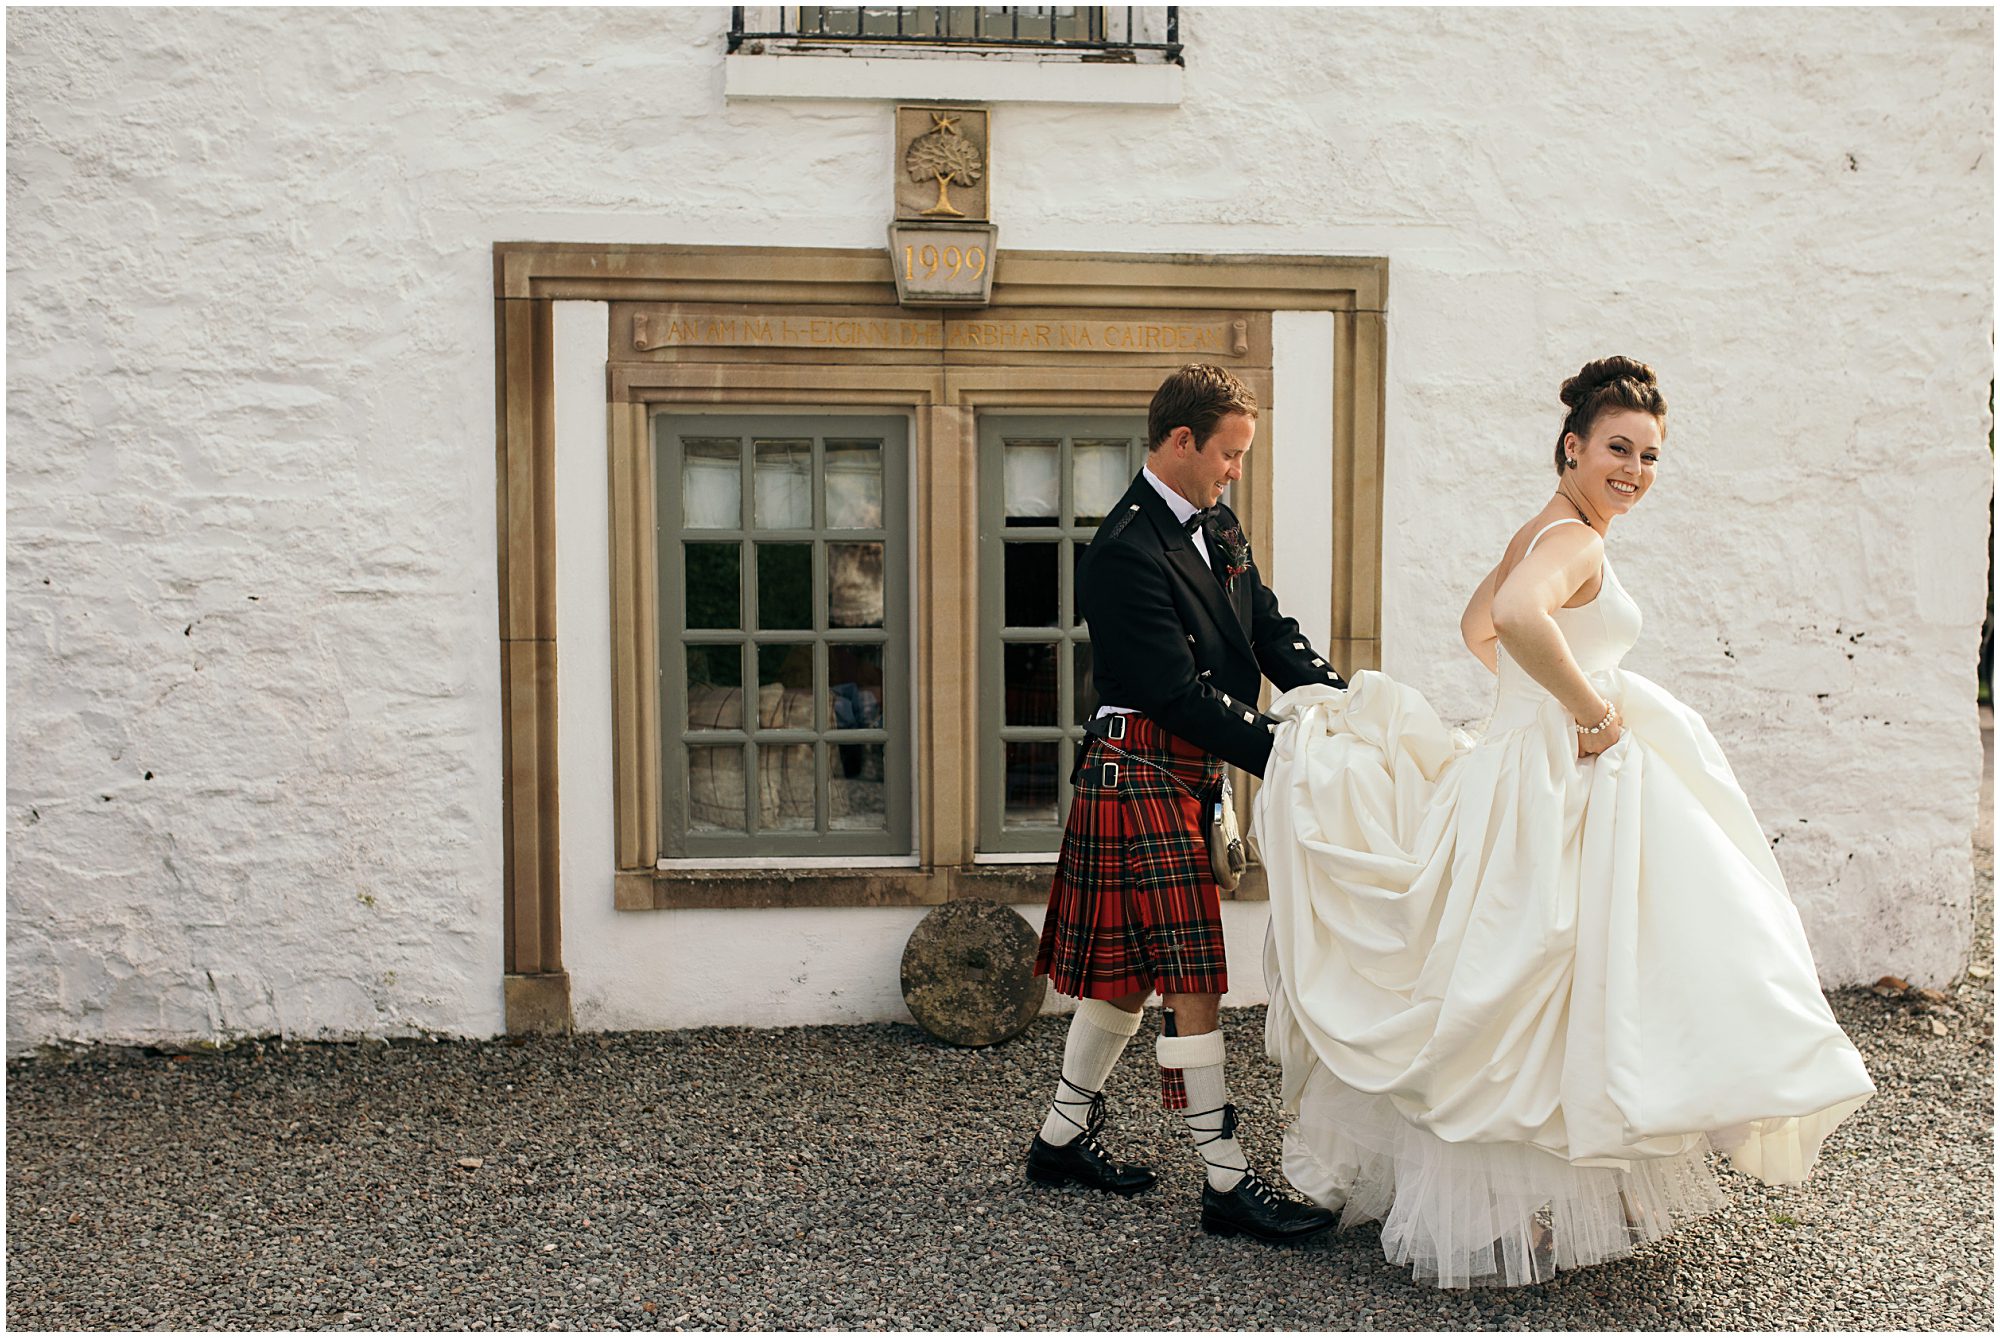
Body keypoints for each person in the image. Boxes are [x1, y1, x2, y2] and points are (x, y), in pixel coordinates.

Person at [1255, 356, 1877, 1287]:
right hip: (1555, 783)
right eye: (1618, 449)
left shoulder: (1543, 529)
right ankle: (1529, 1203)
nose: (1634, 470)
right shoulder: (1574, 541)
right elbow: (1511, 614)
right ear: (1573, 445)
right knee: (1548, 978)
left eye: (1651, 456)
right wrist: (1590, 712)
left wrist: (1532, 708)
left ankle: (1519, 1198)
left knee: (1507, 980)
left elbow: (1481, 633)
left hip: (1516, 773)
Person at [1025, 363, 1347, 1244]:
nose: (1237, 469)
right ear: (1180, 443)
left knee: (1125, 980)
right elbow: (1175, 691)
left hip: (1184, 774)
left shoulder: (1217, 524)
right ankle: (1225, 1181)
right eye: (1229, 454)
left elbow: (1267, 627)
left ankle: (1059, 1140)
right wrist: (1286, 749)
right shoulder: (1125, 550)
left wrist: (1341, 708)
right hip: (1142, 775)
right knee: (1194, 979)